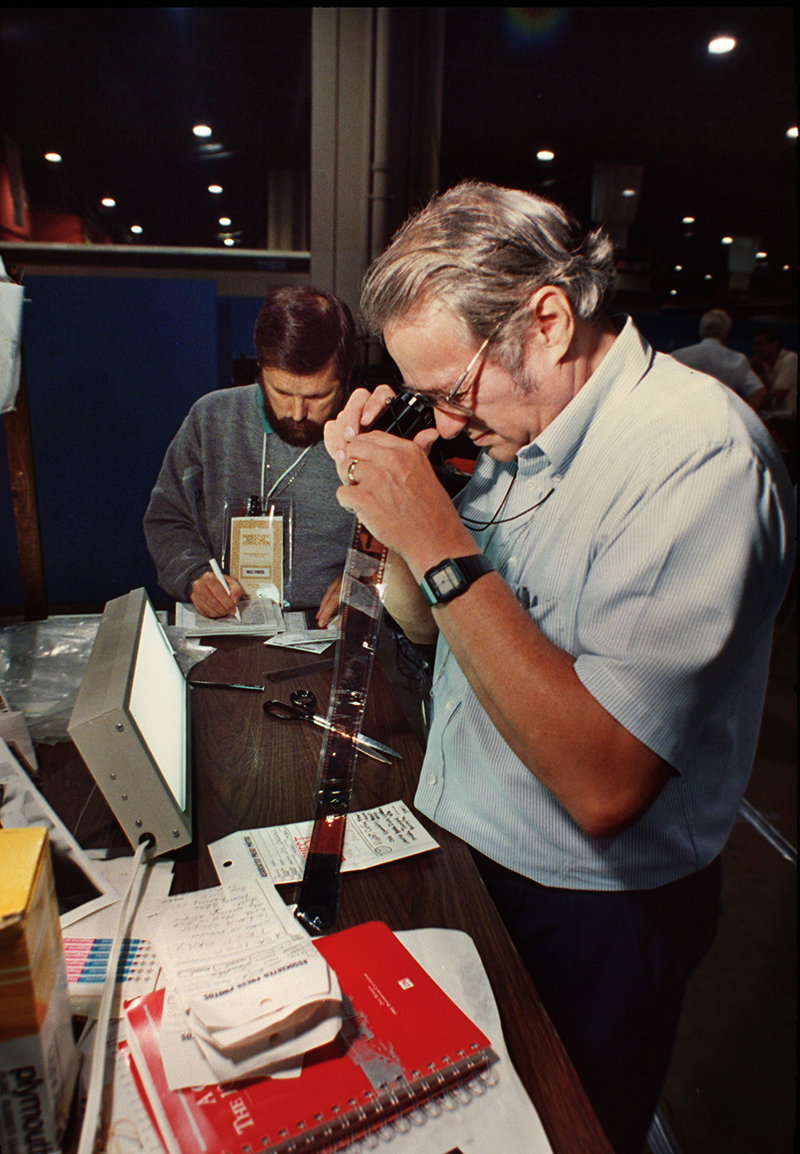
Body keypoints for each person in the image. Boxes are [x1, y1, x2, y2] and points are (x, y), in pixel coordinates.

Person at [323, 182, 795, 1154]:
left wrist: (437, 531)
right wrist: (389, 517)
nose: (447, 424)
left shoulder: (695, 458)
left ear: (544, 318)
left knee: (569, 1129)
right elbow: (428, 630)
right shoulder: (521, 429)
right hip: (469, 848)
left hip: (592, 905)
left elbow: (602, 781)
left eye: (452, 390)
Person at [144, 286, 356, 624]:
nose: (298, 413)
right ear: (260, 368)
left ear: (345, 378)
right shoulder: (211, 417)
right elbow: (168, 517)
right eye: (282, 392)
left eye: (318, 396)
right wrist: (194, 575)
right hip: (232, 621)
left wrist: (366, 583)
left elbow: (406, 546)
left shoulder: (374, 431)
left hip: (328, 627)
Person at [671, 309, 767, 409]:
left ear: (701, 330)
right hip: (723, 417)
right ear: (726, 332)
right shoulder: (737, 359)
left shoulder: (676, 356)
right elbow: (759, 392)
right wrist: (744, 417)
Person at [750, 324, 797, 417]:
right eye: (754, 344)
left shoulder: (790, 359)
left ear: (775, 344)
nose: (755, 349)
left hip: (788, 418)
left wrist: (762, 375)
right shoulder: (760, 364)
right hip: (769, 417)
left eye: (760, 344)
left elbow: (775, 401)